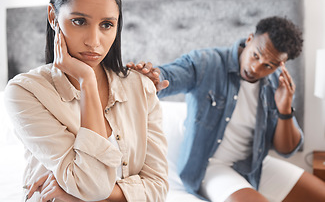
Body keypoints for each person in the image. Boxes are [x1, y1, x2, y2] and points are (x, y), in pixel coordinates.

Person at [4, 0, 168, 202]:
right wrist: (87, 81)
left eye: (106, 25)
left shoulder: (140, 87)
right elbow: (94, 185)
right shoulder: (24, 92)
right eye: (79, 21)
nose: (94, 41)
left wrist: (78, 193)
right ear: (53, 17)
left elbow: (158, 187)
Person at [128, 16, 325, 202]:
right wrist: (151, 78)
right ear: (249, 39)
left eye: (269, 65)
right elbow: (170, 75)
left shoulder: (276, 84)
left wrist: (284, 109)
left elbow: (286, 150)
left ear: (280, 64)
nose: (256, 68)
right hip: (212, 166)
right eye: (256, 55)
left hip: (255, 164)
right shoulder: (206, 62)